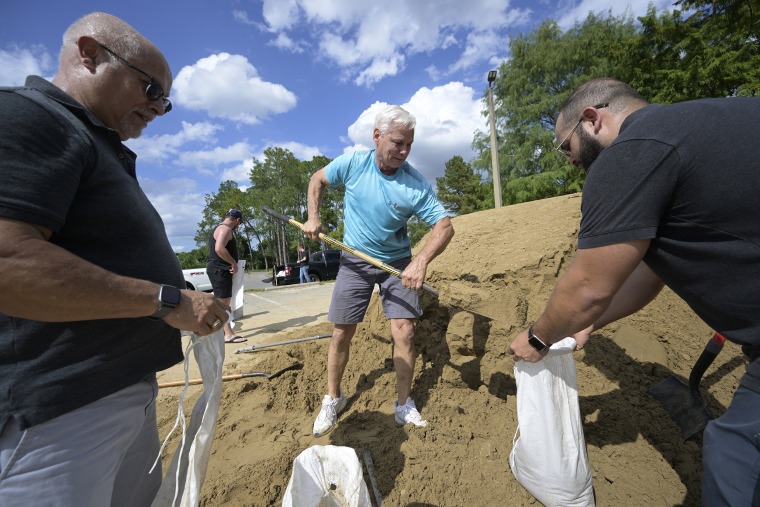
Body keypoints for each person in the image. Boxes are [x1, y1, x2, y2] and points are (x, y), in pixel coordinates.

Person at [0, 12, 230, 507]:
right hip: (56, 419)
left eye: (166, 100)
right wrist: (167, 300)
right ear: (89, 53)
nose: (159, 106)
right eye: (151, 87)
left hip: (121, 395)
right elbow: (8, 262)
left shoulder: (93, 142)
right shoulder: (30, 118)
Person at [507, 77, 760, 506]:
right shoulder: (709, 120)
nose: (569, 161)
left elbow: (588, 286)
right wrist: (590, 324)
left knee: (735, 459)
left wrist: (538, 337)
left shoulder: (630, 153)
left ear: (592, 120)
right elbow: (649, 274)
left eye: (565, 146)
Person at [303, 105, 454, 437]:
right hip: (355, 261)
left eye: (409, 145)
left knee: (405, 332)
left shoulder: (414, 184)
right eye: (398, 143)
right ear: (377, 136)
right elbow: (318, 179)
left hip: (396, 264)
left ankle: (403, 405)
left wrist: (421, 261)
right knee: (342, 331)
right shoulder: (354, 163)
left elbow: (444, 227)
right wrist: (314, 217)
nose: (404, 151)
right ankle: (334, 398)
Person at [207, 208, 247, 344]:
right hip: (220, 270)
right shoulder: (225, 229)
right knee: (223, 305)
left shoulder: (219, 228)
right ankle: (228, 334)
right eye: (239, 224)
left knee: (224, 304)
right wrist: (233, 263)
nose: (237, 227)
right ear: (237, 220)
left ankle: (220, 331)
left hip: (219, 270)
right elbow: (219, 248)